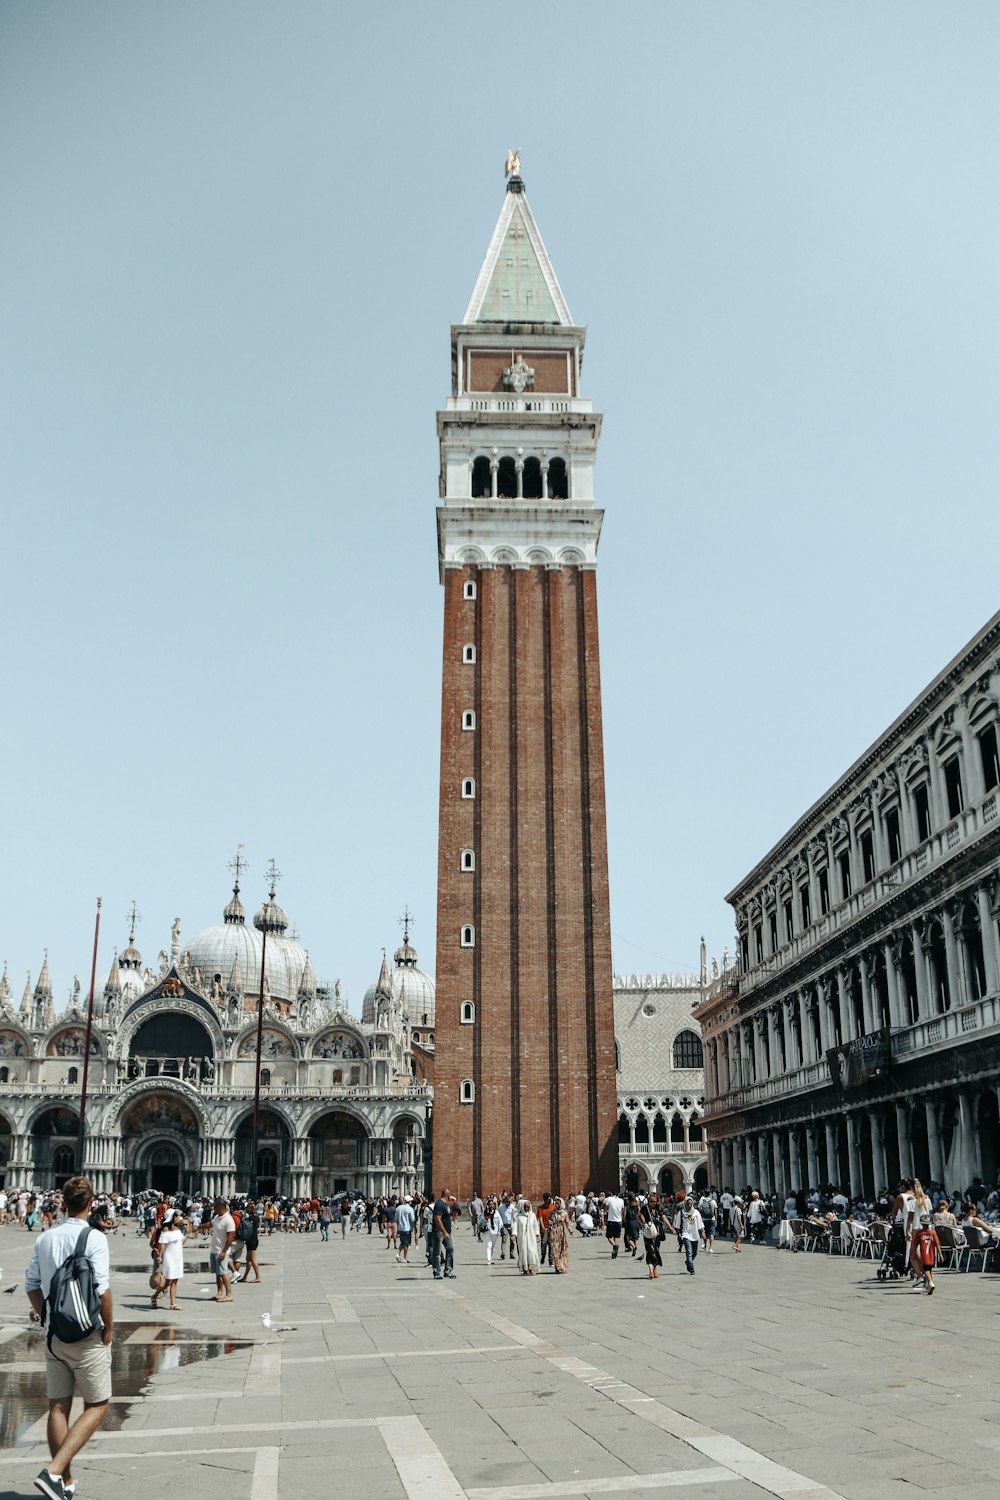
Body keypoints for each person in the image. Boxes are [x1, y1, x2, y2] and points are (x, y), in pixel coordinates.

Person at [25, 1175, 113, 1500]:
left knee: (59, 1407)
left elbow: (31, 1285)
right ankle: (53, 1472)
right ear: (91, 1204)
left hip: (54, 1336)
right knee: (98, 1405)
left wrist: (48, 1318)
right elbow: (102, 1290)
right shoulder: (95, 1237)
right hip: (86, 1333)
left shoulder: (45, 1237)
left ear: (62, 1204)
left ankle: (64, 1482)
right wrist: (109, 1328)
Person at [156, 1215, 186, 1310]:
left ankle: (173, 1303)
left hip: (177, 1257)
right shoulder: (165, 1229)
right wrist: (160, 1256)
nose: (178, 1218)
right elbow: (163, 1244)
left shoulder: (178, 1230)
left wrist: (187, 1233)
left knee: (175, 1281)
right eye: (176, 1216)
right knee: (168, 1281)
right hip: (169, 1258)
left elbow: (181, 1242)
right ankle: (155, 1295)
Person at [210, 1198, 236, 1302]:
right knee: (218, 1273)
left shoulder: (228, 1219)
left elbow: (231, 1237)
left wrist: (224, 1251)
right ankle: (219, 1293)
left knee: (224, 1273)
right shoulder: (217, 1217)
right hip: (215, 1250)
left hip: (222, 1251)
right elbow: (210, 1224)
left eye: (216, 1207)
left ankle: (229, 1294)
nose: (214, 1209)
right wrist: (198, 1227)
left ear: (221, 1207)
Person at [910, 1213, 941, 1294]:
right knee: (929, 1270)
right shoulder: (933, 1233)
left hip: (924, 1255)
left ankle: (930, 1282)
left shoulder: (919, 1233)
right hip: (932, 1255)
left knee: (925, 1270)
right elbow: (937, 1244)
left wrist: (913, 1251)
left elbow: (915, 1244)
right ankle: (928, 1285)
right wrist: (940, 1254)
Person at [676, 1197, 705, 1275]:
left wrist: (703, 1232)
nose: (689, 1205)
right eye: (688, 1204)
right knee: (689, 1251)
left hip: (694, 1235)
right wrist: (679, 1233)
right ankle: (691, 1269)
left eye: (691, 1204)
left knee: (695, 1252)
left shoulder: (696, 1212)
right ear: (685, 1204)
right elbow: (678, 1225)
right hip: (685, 1235)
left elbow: (700, 1224)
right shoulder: (681, 1213)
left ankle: (688, 1262)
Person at [431, 1187, 456, 1279]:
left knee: (450, 1249)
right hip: (439, 1232)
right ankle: (437, 1272)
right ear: (447, 1194)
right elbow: (437, 1219)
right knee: (437, 1252)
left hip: (447, 1232)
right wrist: (444, 1232)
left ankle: (448, 1270)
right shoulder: (439, 1204)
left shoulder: (446, 1205)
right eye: (449, 1194)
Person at [515, 1198, 541, 1274]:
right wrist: (514, 1235)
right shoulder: (518, 1216)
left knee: (532, 1251)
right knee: (524, 1252)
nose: (527, 1208)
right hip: (522, 1238)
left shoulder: (532, 1215)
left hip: (531, 1238)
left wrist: (537, 1234)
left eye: (528, 1207)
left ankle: (532, 1267)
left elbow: (536, 1225)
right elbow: (515, 1226)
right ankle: (525, 1268)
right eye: (525, 1207)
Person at [548, 1196, 571, 1273]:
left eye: (558, 1204)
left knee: (562, 1249)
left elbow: (567, 1223)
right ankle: (557, 1266)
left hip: (561, 1232)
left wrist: (570, 1230)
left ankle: (562, 1266)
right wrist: (550, 1223)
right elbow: (549, 1221)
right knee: (555, 1249)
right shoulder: (552, 1212)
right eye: (556, 1204)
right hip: (554, 1232)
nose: (556, 1205)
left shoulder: (564, 1213)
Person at [604, 1189, 624, 1259]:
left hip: (611, 1220)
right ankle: (614, 1251)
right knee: (616, 1236)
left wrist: (605, 1214)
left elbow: (605, 1209)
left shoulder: (609, 1199)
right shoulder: (621, 1200)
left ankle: (614, 1246)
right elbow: (622, 1210)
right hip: (619, 1221)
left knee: (609, 1236)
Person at [395, 1195, 416, 1264]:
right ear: (409, 1202)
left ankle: (398, 1253)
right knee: (406, 1244)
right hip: (407, 1228)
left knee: (403, 1242)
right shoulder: (410, 1209)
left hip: (400, 1228)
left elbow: (396, 1219)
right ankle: (405, 1258)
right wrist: (414, 1228)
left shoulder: (398, 1208)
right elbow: (412, 1219)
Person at [481, 1198, 502, 1265]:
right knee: (488, 1245)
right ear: (487, 1205)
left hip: (495, 1232)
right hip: (487, 1232)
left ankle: (491, 1257)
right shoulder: (484, 1213)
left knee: (492, 1246)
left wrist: (499, 1231)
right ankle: (488, 1260)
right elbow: (480, 1221)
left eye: (492, 1204)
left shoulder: (496, 1213)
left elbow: (500, 1222)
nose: (491, 1206)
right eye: (490, 1204)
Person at [536, 1193, 555, 1266]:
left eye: (550, 1199)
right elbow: (540, 1218)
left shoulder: (553, 1207)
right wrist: (542, 1227)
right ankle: (543, 1256)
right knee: (543, 1244)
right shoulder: (540, 1208)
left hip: (552, 1228)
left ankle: (551, 1260)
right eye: (548, 1199)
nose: (550, 1200)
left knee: (551, 1244)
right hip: (544, 1229)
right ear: (545, 1200)